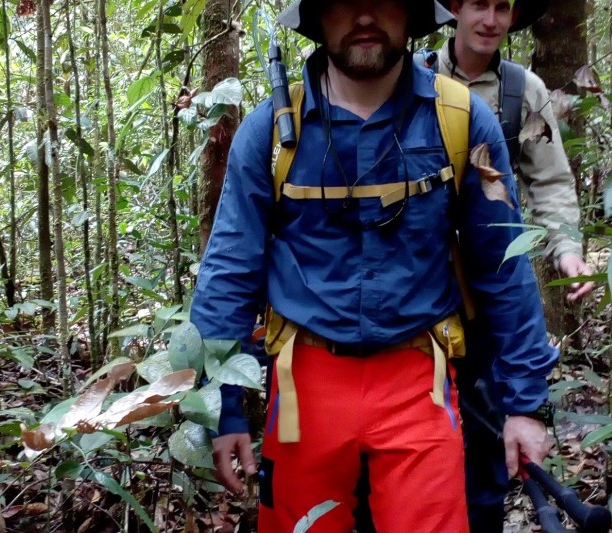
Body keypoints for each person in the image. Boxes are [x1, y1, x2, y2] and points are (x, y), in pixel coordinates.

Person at [190, 0, 557, 531]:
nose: (364, 15)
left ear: (411, 13)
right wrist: (222, 408)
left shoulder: (460, 120)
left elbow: (502, 266)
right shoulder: (270, 131)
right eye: (343, 1)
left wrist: (524, 406)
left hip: (420, 381)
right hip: (304, 388)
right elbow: (231, 268)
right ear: (317, 17)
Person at [435, 1, 593, 531]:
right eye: (479, 4)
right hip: (424, 302)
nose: (491, 19)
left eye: (503, 7)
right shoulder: (414, 79)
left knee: (487, 447)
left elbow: (550, 182)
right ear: (455, 9)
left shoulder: (523, 90)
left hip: (492, 301)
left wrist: (566, 248)